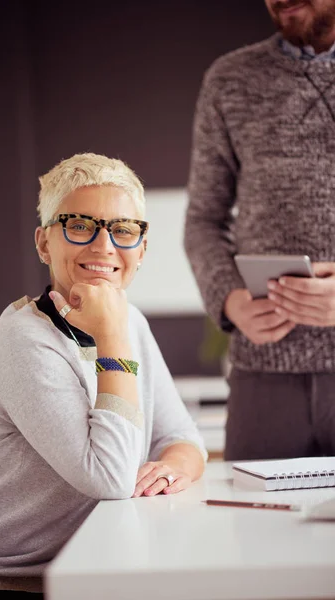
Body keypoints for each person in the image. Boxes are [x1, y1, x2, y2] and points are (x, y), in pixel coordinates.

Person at [0, 153, 206, 598]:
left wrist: (169, 469)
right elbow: (109, 479)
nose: (104, 247)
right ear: (44, 243)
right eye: (80, 226)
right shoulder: (23, 341)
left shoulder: (130, 321)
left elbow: (182, 437)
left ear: (141, 249)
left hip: (83, 571)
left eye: (123, 230)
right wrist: (113, 338)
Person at [185, 0, 335, 461]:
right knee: (251, 528)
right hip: (263, 382)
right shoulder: (230, 80)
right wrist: (230, 301)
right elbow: (203, 221)